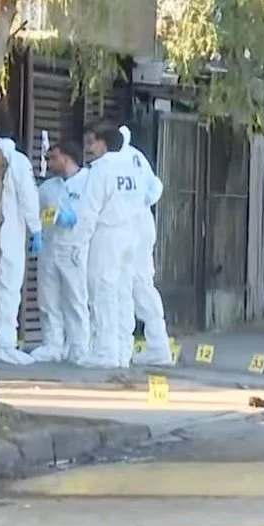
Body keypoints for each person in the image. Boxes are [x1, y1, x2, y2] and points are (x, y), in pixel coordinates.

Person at [72, 122, 140, 368]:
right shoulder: (132, 167)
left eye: (94, 142)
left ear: (104, 143)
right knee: (123, 292)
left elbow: (89, 210)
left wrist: (79, 243)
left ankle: (105, 352)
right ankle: (123, 351)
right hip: (131, 234)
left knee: (103, 292)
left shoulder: (101, 169)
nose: (91, 148)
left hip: (107, 235)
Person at [115, 125, 173, 366]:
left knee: (130, 285)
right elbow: (156, 187)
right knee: (139, 285)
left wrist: (135, 207)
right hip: (142, 225)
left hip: (130, 227)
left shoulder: (117, 161)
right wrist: (142, 204)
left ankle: (137, 345)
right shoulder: (137, 156)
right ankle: (155, 344)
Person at [28, 139, 89, 364]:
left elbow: (92, 214)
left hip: (74, 249)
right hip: (50, 249)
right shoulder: (49, 188)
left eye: (52, 158)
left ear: (65, 157)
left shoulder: (88, 182)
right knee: (48, 300)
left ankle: (79, 347)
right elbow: (34, 210)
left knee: (75, 300)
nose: (49, 163)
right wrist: (37, 235)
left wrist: (72, 219)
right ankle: (52, 345)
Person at [0, 109, 43, 366]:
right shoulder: (18, 161)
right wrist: (36, 230)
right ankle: (4, 343)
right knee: (9, 289)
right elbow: (29, 199)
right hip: (10, 234)